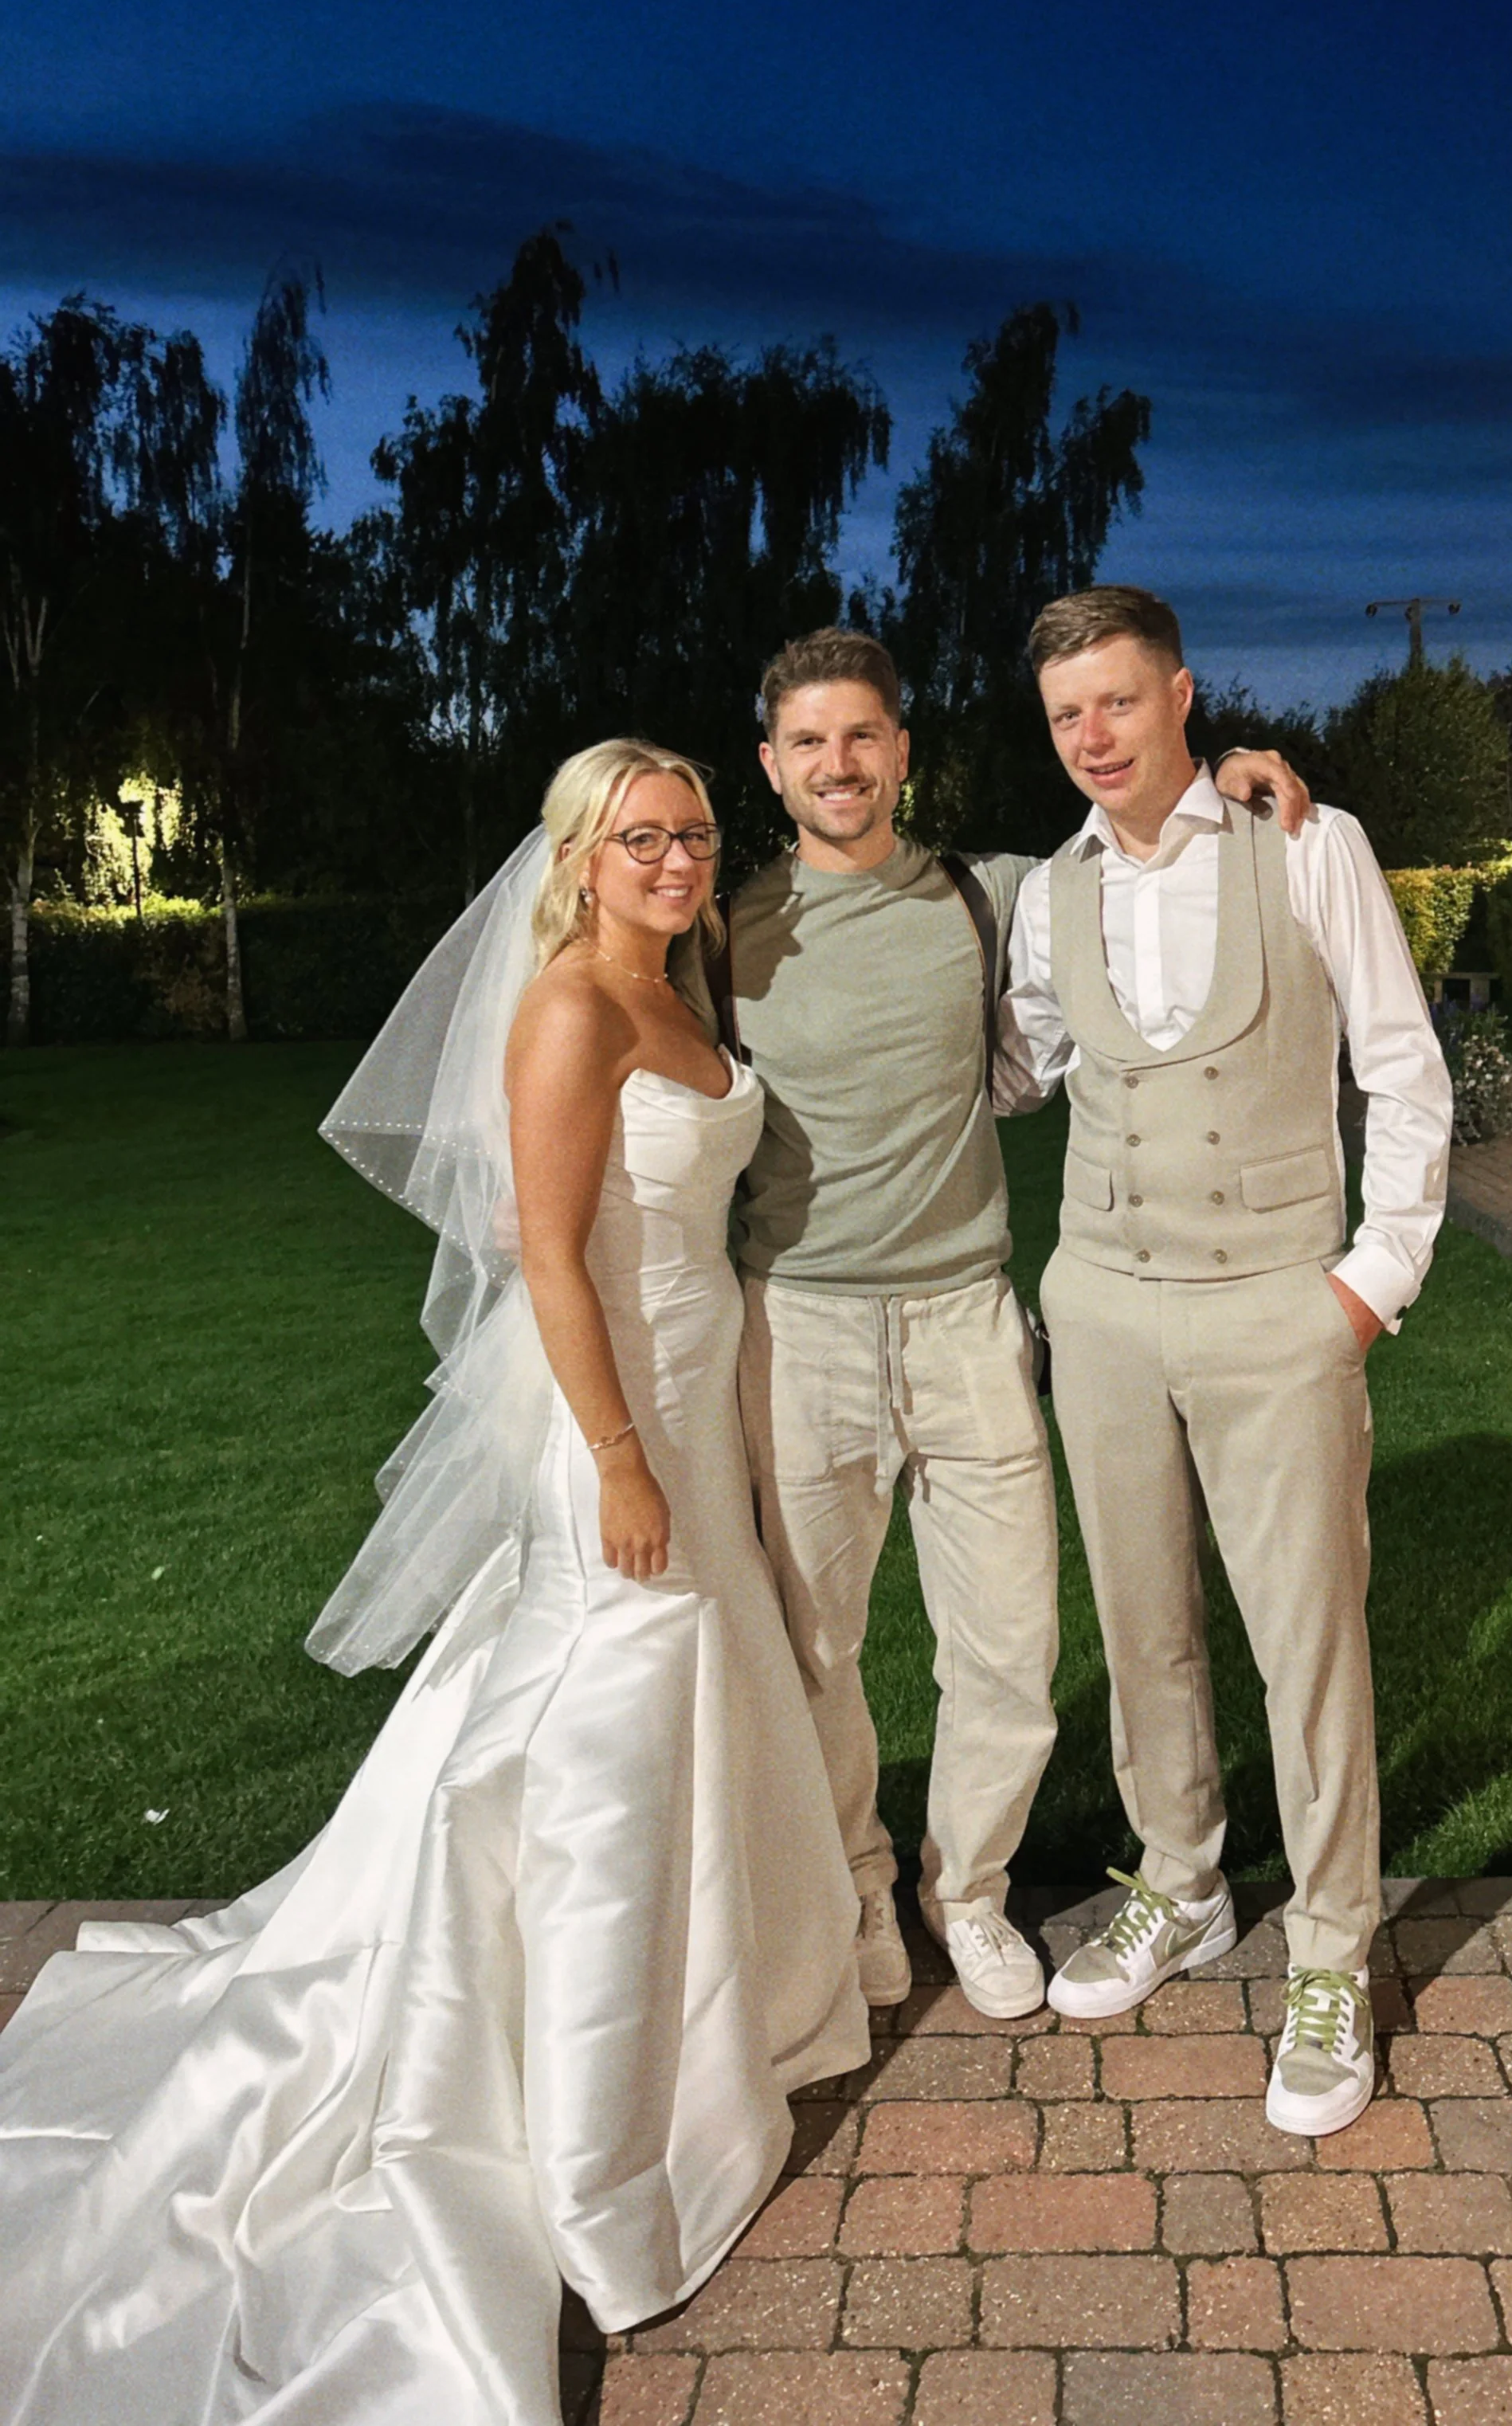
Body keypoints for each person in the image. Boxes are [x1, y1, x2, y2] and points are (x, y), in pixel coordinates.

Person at [0, 739, 869, 2426]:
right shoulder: (571, 1008)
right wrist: (617, 1454)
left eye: (693, 833)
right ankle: (592, 2122)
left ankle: (714, 2021)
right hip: (616, 1407)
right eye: (643, 838)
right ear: (580, 854)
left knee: (685, 1690)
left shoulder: (681, 994)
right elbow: (547, 1253)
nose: (678, 859)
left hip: (698, 1385)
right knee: (603, 1714)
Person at [687, 628, 1306, 2019]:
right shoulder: (724, 932)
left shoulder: (1001, 898)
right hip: (800, 1334)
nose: (837, 765)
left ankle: (961, 1890)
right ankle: (854, 1888)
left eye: (862, 737)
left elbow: (1148, 841)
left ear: (904, 751)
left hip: (971, 1322)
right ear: (772, 768)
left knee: (1011, 1652)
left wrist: (1240, 772)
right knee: (815, 1649)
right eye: (807, 744)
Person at [998, 587, 1452, 2140]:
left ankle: (1328, 1950)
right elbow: (1018, 1065)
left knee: (1303, 1640)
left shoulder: (1302, 842)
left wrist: (1370, 1281)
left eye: (1116, 700)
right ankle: (1181, 1885)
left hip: (1277, 1304)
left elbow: (1401, 1067)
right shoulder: (1044, 889)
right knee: (1141, 1629)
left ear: (1180, 694)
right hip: (1104, 1303)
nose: (1091, 735)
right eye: (1065, 712)